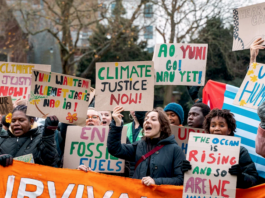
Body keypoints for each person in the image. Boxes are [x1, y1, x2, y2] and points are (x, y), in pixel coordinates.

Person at [107, 106, 185, 186]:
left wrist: (156, 182)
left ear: (162, 126)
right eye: (146, 119)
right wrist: (117, 124)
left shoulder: (175, 150)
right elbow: (115, 149)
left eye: (153, 119)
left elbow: (180, 180)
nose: (147, 121)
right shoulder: (138, 145)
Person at [182, 109, 258, 189]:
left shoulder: (240, 151)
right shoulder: (198, 150)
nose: (216, 129)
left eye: (221, 125)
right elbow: (188, 181)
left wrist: (240, 176)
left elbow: (254, 180)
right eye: (213, 125)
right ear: (209, 130)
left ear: (229, 130)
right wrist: (185, 171)